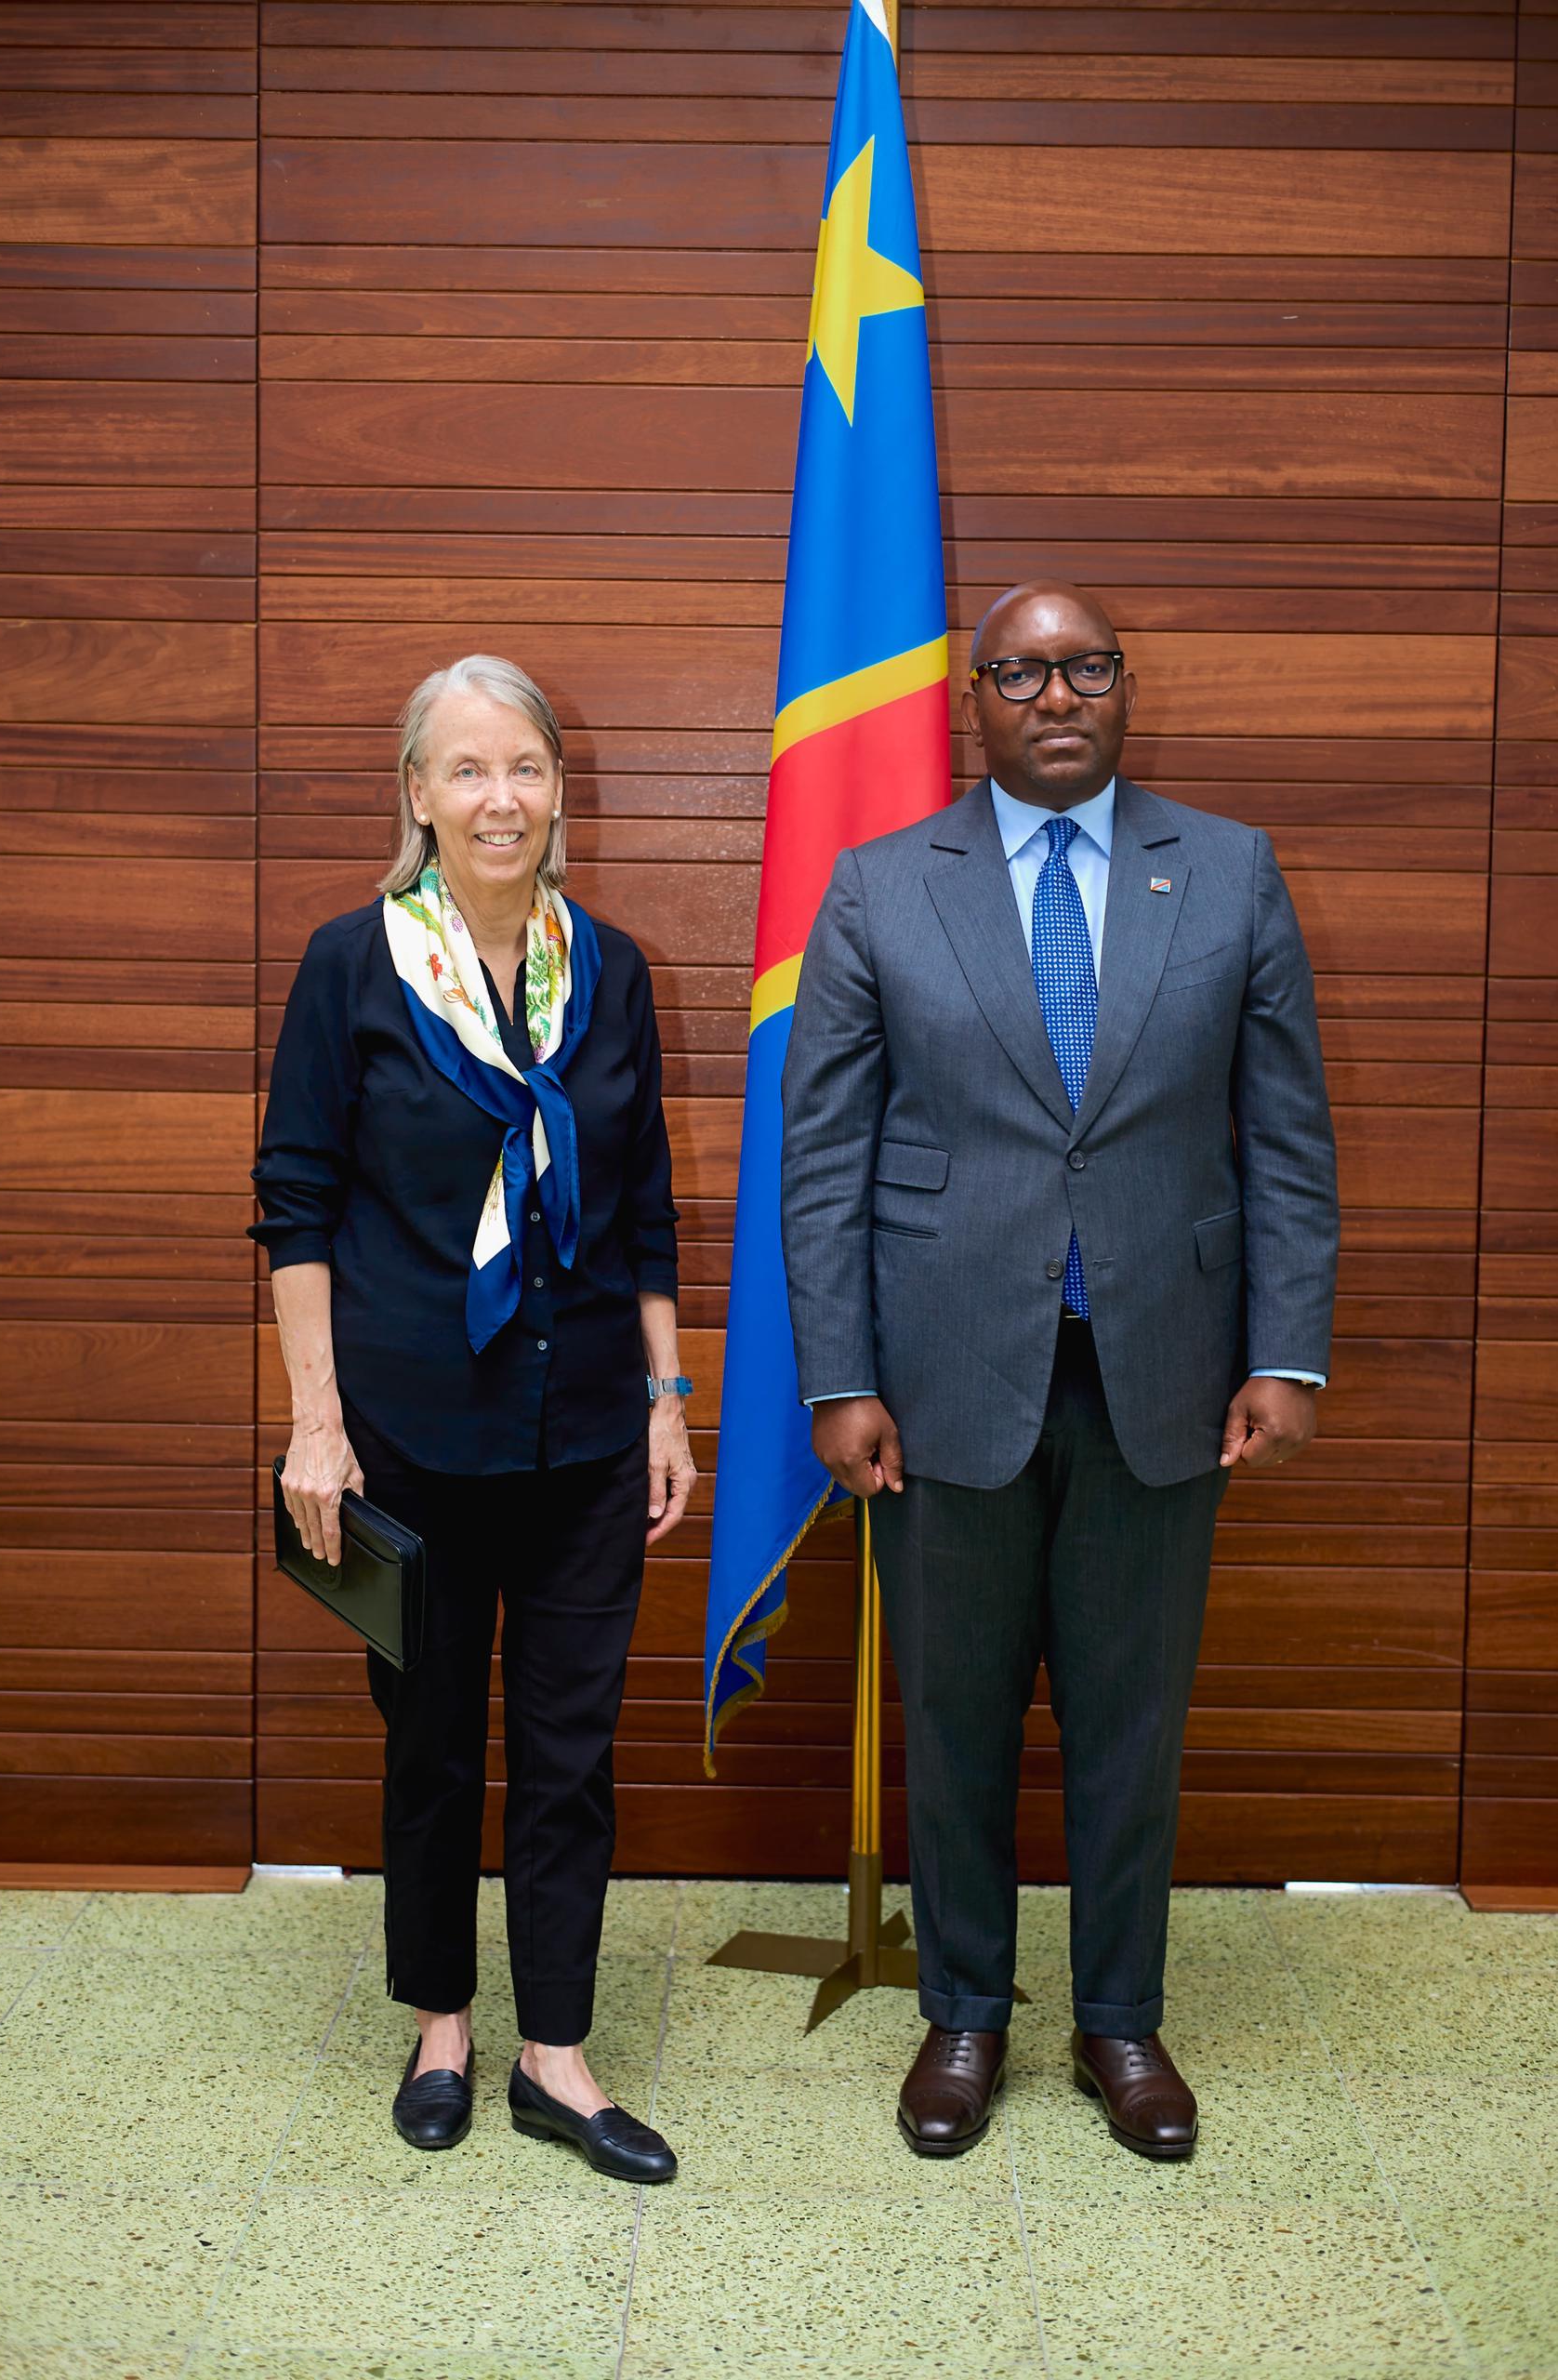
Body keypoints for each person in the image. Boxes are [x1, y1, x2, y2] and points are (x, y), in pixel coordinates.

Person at [780, 582, 1339, 2162]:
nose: (1053, 694)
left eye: (1082, 666)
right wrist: (839, 1376)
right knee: (952, 1718)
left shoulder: (1225, 871)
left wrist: (1282, 1351)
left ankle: (1118, 2023)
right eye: (1019, 672)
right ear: (976, 699)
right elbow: (820, 1158)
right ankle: (962, 2016)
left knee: (1127, 1723)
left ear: (1121, 685)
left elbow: (1285, 1138)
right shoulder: (883, 886)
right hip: (940, 1377)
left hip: (1163, 1372)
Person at [253, 653, 694, 2182]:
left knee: (568, 1754)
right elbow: (295, 1205)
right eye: (465, 769)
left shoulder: (614, 967)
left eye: (524, 768)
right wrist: (317, 1422)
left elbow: (641, 1205)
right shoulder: (349, 966)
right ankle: (438, 2021)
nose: (498, 796)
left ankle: (551, 2057)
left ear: (560, 791)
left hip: (581, 1429)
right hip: (408, 1435)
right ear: (417, 797)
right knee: (431, 1745)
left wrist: (664, 1396)